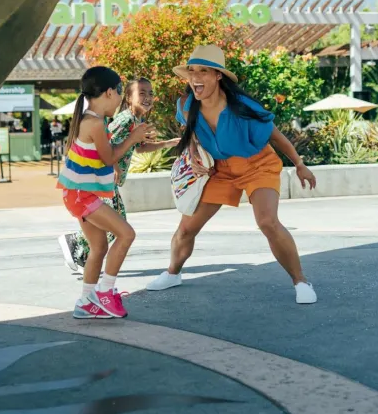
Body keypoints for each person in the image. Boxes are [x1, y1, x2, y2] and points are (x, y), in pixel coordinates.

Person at [146, 45, 319, 304]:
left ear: (218, 76)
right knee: (186, 229)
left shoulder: (242, 107)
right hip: (220, 169)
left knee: (267, 222)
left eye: (204, 71)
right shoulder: (186, 105)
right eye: (192, 71)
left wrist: (299, 164)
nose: (196, 77)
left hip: (257, 164)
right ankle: (173, 273)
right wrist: (193, 153)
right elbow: (191, 132)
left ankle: (301, 281)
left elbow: (275, 135)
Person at [57, 66, 155, 319]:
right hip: (82, 195)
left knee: (98, 247)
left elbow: (101, 158)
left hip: (76, 194)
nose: (121, 99)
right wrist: (133, 138)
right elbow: (109, 157)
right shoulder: (95, 123)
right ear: (110, 92)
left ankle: (85, 302)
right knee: (126, 234)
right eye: (121, 92)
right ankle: (103, 293)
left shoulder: (89, 119)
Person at [58, 78, 179, 275]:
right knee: (118, 225)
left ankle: (82, 249)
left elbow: (139, 148)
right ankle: (80, 248)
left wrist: (168, 143)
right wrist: (113, 167)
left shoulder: (136, 121)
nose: (148, 97)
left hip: (109, 181)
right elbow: (108, 140)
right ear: (129, 98)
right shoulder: (126, 120)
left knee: (115, 224)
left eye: (150, 93)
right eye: (142, 93)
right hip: (105, 179)